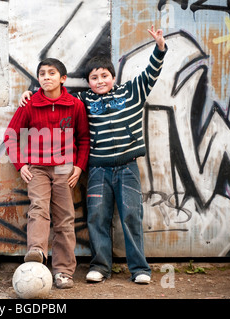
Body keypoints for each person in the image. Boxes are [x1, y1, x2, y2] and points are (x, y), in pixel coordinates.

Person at [19, 26, 167, 284]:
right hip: (97, 169)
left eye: (104, 76)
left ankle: (140, 268)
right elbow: (55, 96)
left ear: (113, 76)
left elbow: (151, 72)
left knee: (131, 215)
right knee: (97, 216)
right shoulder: (83, 100)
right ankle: (100, 265)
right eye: (94, 78)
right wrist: (31, 93)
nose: (100, 81)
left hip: (128, 167)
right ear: (88, 82)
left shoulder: (132, 92)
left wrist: (160, 47)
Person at [4, 58, 90, 289]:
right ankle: (37, 255)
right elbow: (11, 135)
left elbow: (83, 139)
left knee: (64, 218)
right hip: (37, 168)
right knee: (39, 209)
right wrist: (20, 164)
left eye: (52, 73)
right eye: (42, 73)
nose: (46, 77)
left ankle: (63, 271)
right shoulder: (30, 104)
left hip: (65, 168)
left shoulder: (74, 105)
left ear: (63, 79)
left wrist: (79, 166)